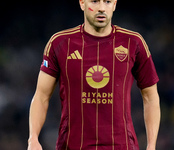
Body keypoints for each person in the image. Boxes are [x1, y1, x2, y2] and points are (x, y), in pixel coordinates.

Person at [28, 0, 160, 150]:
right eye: (95, 1)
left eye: (108, 2)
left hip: (121, 146)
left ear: (115, 5)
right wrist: (33, 138)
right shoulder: (60, 43)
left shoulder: (133, 42)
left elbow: (150, 96)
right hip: (72, 145)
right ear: (82, 3)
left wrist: (151, 145)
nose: (102, 8)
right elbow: (41, 96)